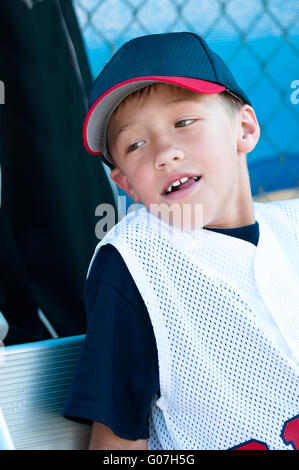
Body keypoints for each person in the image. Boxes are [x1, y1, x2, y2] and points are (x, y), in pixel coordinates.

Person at [63, 32, 299, 450]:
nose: (164, 152)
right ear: (126, 184)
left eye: (183, 122)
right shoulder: (135, 261)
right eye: (135, 144)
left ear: (244, 129)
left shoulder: (292, 229)